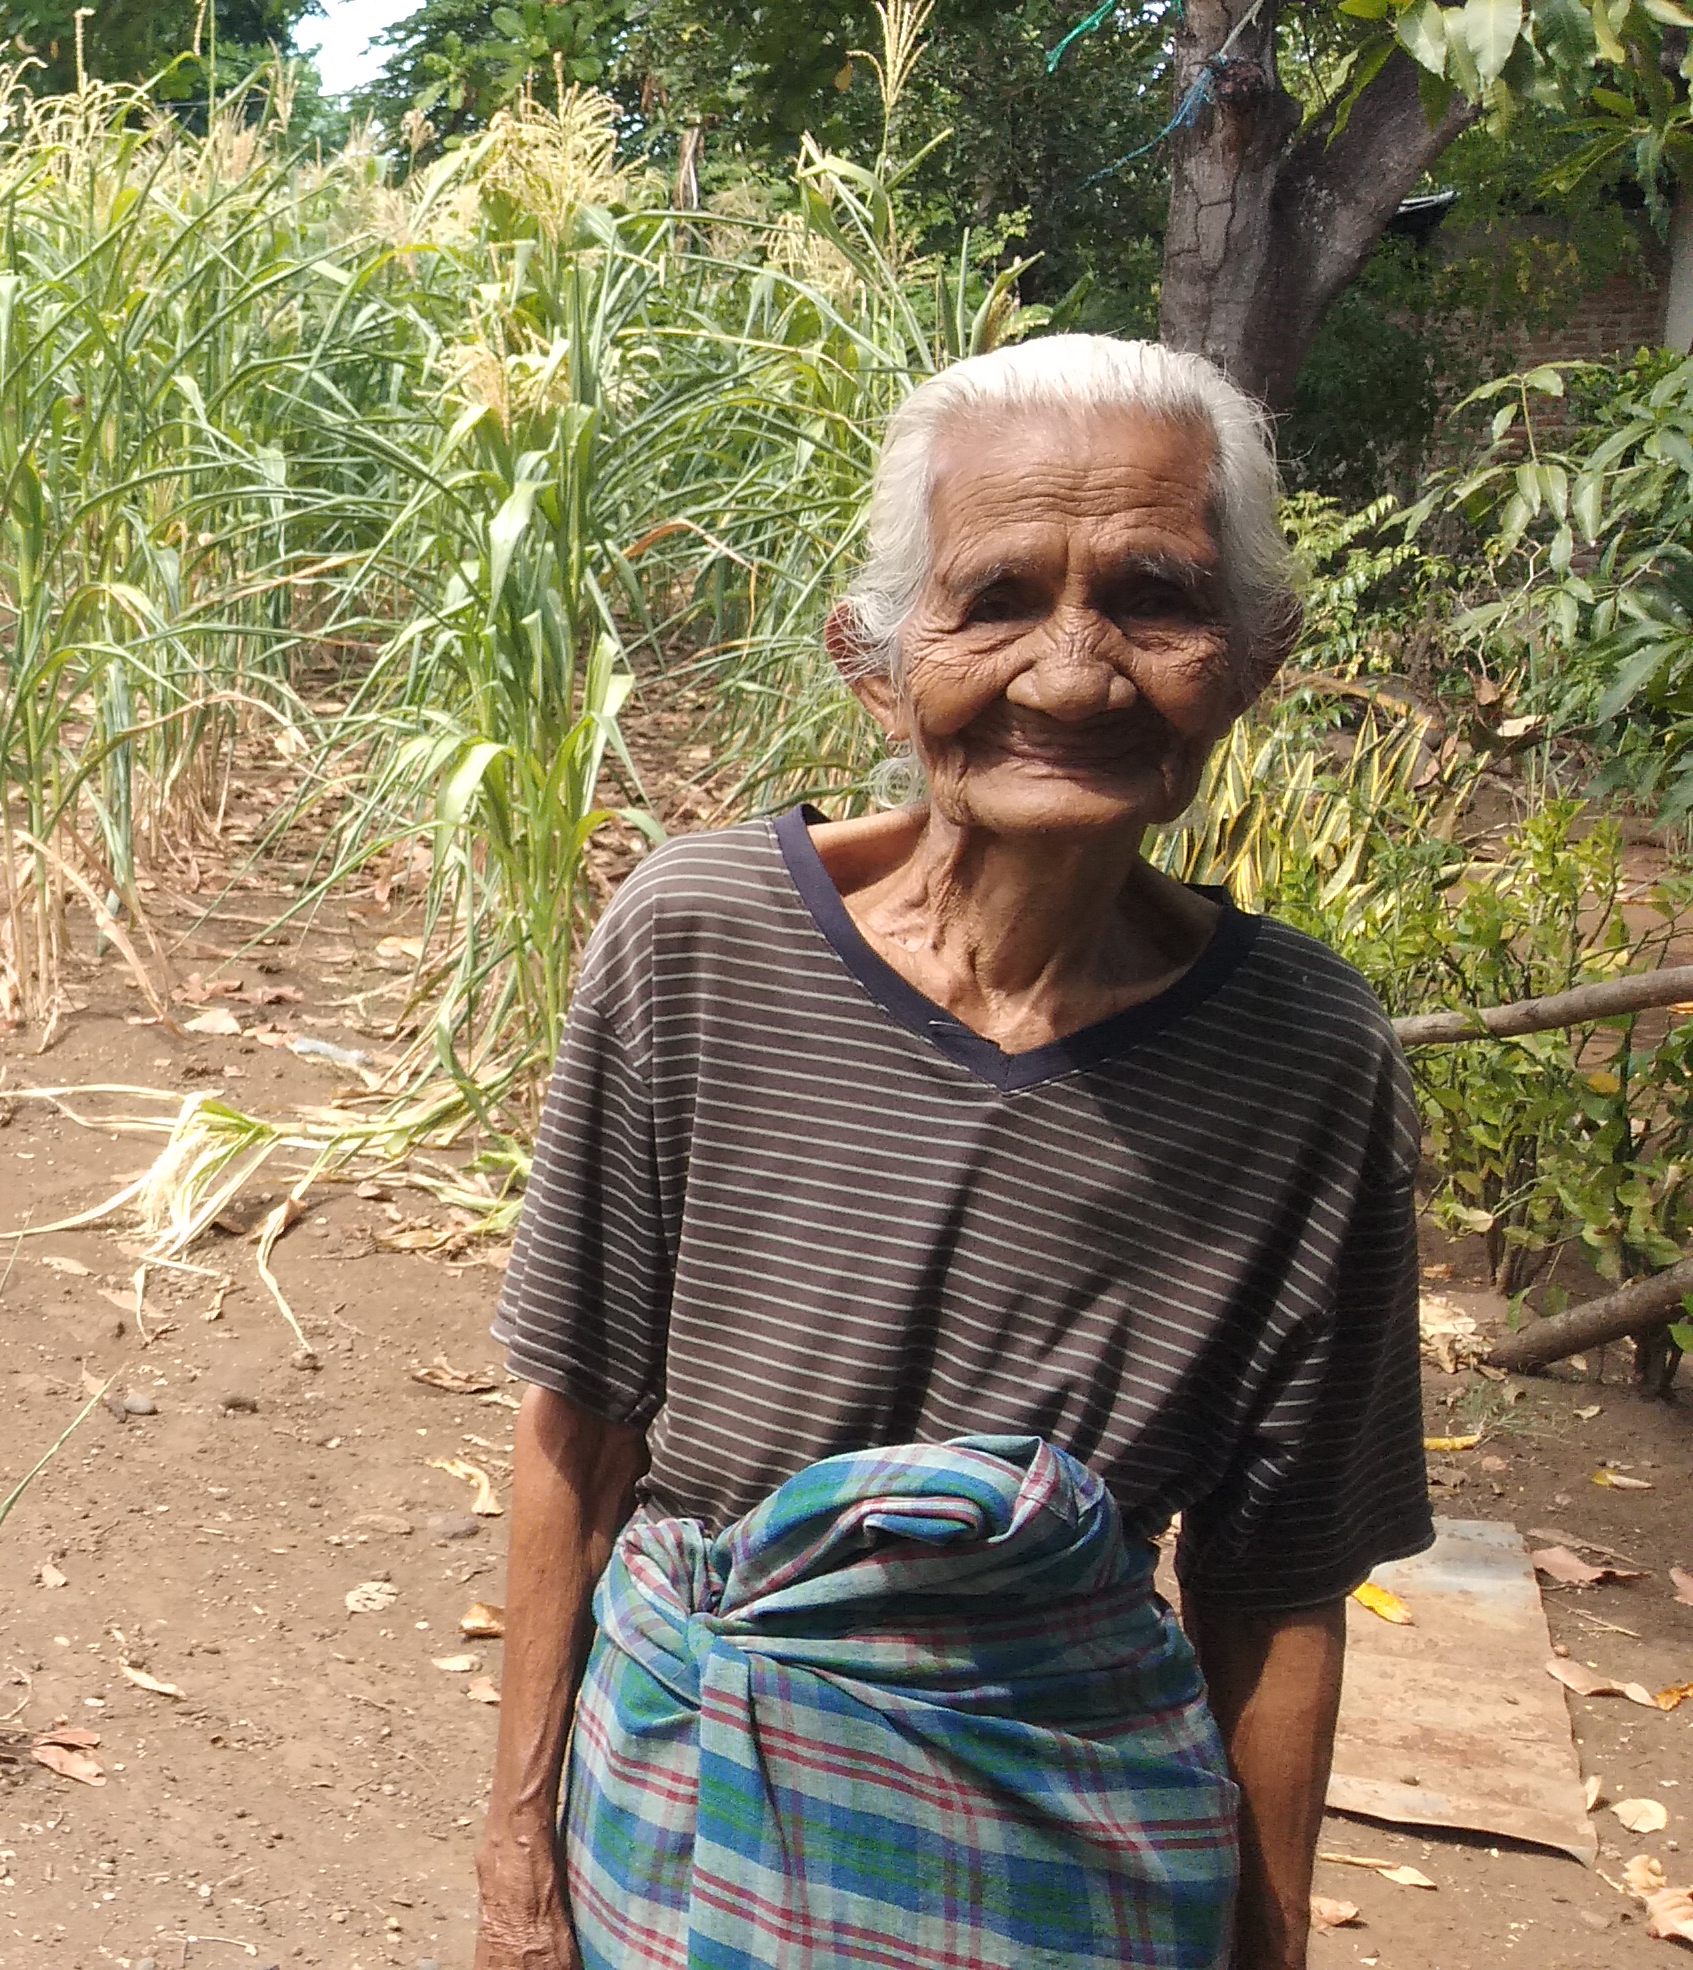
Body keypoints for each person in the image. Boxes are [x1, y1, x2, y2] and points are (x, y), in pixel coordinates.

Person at [470, 335, 1432, 1970]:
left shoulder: (1303, 1056)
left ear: (1256, 654)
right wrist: (515, 1876)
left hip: (1077, 1833)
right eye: (995, 600)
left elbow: (1280, 1580)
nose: (1072, 673)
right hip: (691, 1792)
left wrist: (1268, 1953)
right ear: (875, 659)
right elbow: (577, 1432)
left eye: (1152, 595)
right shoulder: (697, 945)